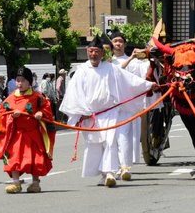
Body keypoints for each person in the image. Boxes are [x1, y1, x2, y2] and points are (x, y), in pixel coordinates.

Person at [59, 35, 158, 187]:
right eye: (91, 51)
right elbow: (74, 93)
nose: (94, 54)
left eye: (97, 51)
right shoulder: (81, 71)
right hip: (90, 114)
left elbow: (129, 81)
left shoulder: (111, 68)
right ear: (87, 51)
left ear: (102, 53)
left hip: (109, 112)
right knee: (95, 144)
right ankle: (104, 174)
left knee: (110, 142)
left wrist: (147, 85)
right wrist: (81, 111)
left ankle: (110, 172)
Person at [0, 67, 56, 194]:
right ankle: (16, 183)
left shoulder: (38, 97)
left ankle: (35, 183)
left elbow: (47, 109)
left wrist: (40, 114)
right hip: (16, 135)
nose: (19, 83)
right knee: (14, 157)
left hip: (33, 134)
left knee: (35, 158)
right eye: (18, 80)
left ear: (30, 82)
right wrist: (11, 115)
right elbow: (2, 113)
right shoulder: (10, 98)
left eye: (23, 81)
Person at [110, 30, 150, 180]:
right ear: (111, 45)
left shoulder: (135, 62)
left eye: (121, 41)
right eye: (115, 41)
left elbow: (142, 77)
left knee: (125, 136)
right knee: (111, 138)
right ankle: (112, 167)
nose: (118, 44)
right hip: (111, 106)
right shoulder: (107, 63)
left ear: (125, 44)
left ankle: (125, 166)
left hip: (128, 106)